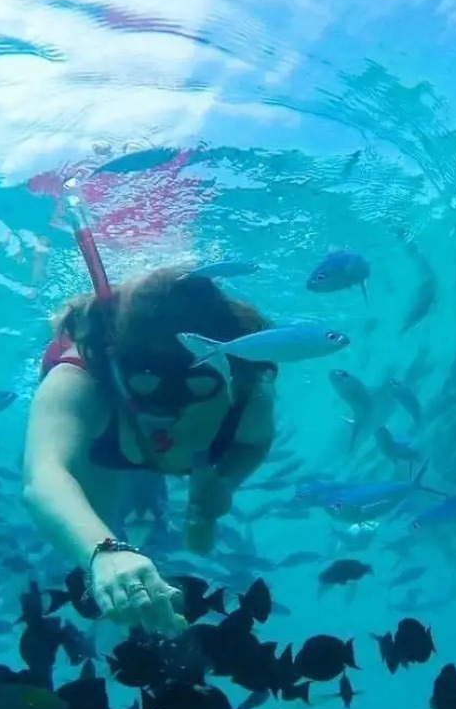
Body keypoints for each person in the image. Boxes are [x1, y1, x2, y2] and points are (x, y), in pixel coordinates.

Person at [23, 265, 276, 634]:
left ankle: (161, 509)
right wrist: (104, 551)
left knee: (200, 516)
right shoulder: (82, 378)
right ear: (120, 363)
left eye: (196, 383)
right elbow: (44, 477)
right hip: (105, 445)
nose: (168, 407)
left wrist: (226, 481)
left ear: (229, 373)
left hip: (173, 450)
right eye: (149, 379)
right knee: (94, 521)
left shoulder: (248, 390)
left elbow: (254, 442)